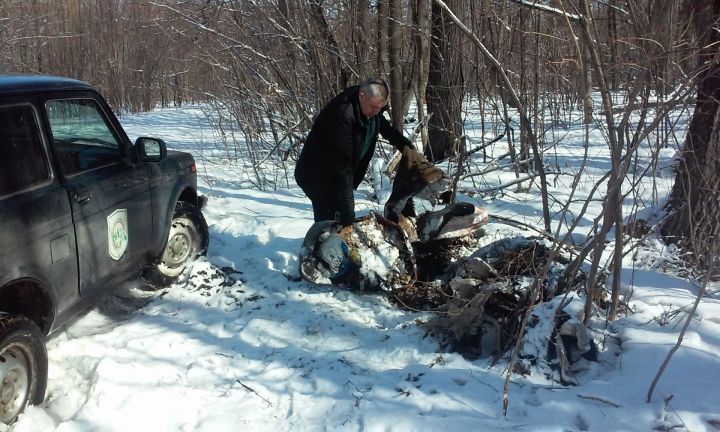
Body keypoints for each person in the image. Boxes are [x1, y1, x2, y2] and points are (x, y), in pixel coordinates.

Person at [294, 78, 413, 231]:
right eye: (373, 108)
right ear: (362, 95)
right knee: (331, 219)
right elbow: (343, 167)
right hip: (317, 175)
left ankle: (335, 239)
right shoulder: (341, 114)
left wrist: (407, 148)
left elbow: (386, 128)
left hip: (336, 172)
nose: (376, 112)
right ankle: (319, 250)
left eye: (380, 108)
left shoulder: (368, 108)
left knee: (339, 215)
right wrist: (348, 211)